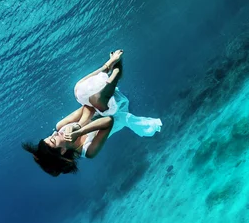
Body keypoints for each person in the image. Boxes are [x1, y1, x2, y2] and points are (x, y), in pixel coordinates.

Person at [22, 50, 162, 176]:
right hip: (116, 112)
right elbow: (108, 122)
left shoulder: (61, 127)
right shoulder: (88, 151)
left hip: (101, 101)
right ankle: (116, 73)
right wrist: (80, 132)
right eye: (53, 139)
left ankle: (108, 67)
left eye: (49, 135)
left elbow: (87, 108)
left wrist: (77, 125)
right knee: (97, 100)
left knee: (78, 90)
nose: (54, 134)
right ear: (62, 151)